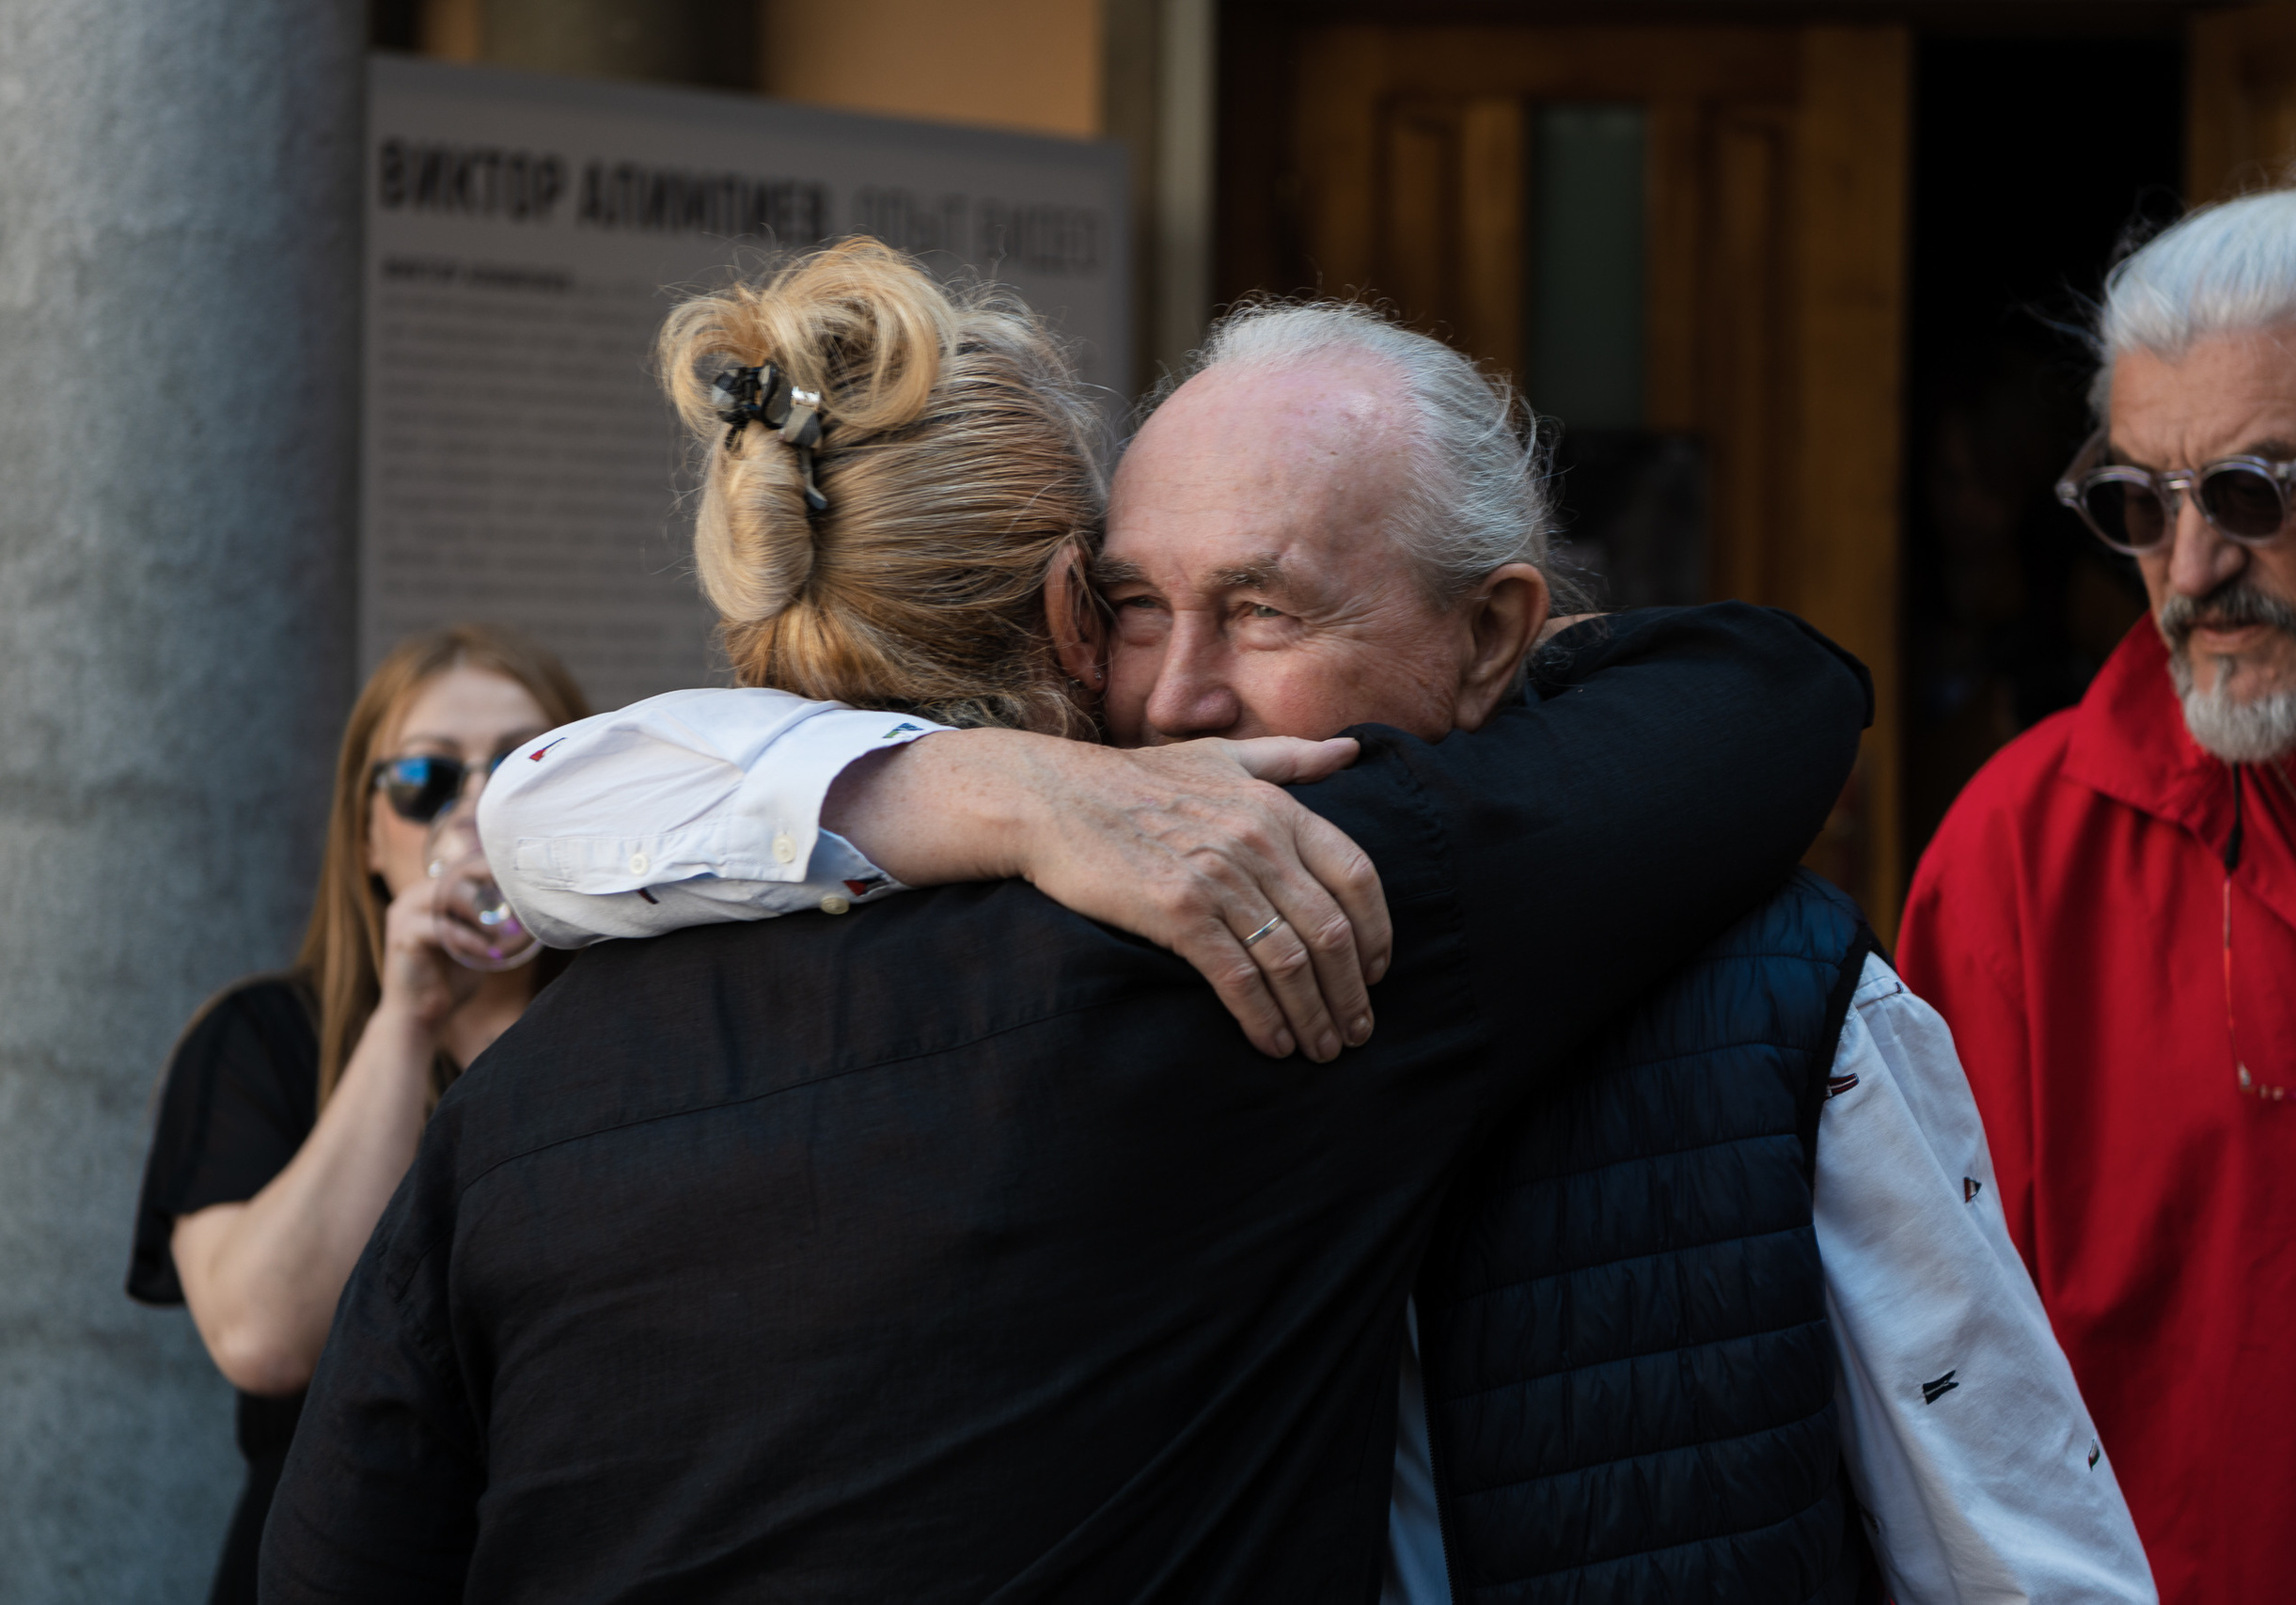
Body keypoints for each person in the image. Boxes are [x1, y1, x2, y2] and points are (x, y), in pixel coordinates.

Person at [482, 266, 2150, 1597]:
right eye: (1136, 607)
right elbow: (544, 816)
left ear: (1496, 635)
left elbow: (2020, 1553)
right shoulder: (1034, 959)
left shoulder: (1774, 996)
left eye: (1268, 609)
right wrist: (1005, 791)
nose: (1181, 695)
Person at [1899, 134, 2296, 1602]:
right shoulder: (2022, 847)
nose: (2188, 571)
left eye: (2252, 491)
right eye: (2140, 502)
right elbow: (1931, 1382)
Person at [128, 624, 588, 1605]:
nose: (473, 811)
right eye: (426, 778)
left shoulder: (642, 1025)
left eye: (521, 769)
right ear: (370, 830)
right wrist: (408, 1018)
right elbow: (263, 1337)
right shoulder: (262, 1039)